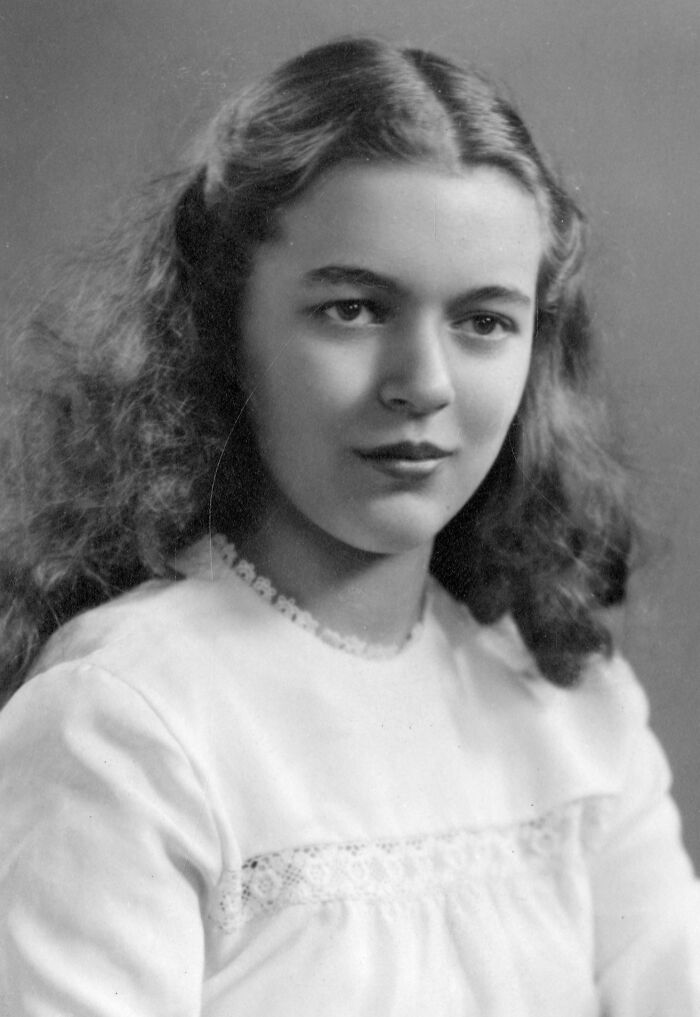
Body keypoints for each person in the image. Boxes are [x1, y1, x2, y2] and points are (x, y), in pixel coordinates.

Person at [0, 35, 697, 1016]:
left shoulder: (564, 700)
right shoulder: (122, 724)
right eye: (354, 309)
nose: (422, 384)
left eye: (484, 321)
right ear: (225, 328)